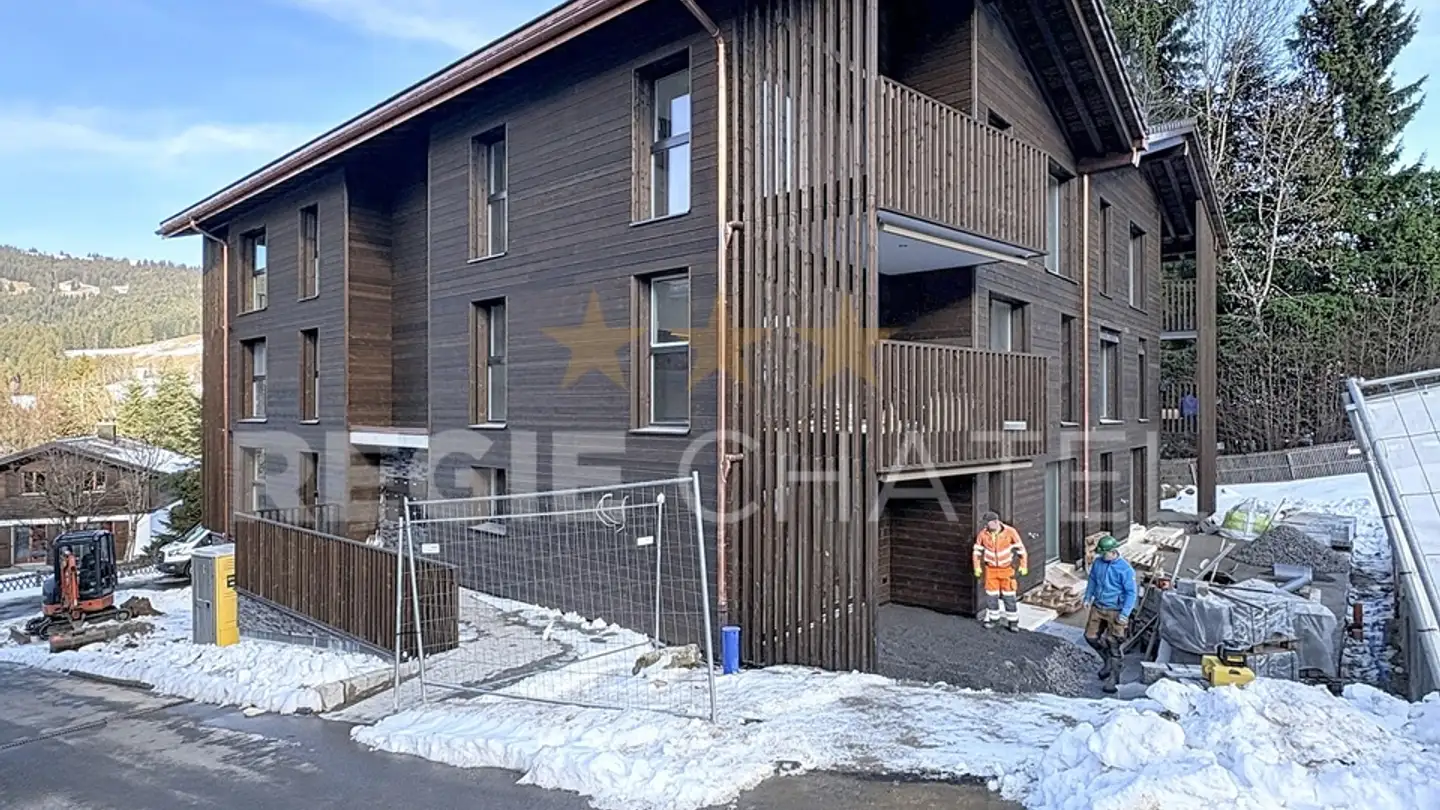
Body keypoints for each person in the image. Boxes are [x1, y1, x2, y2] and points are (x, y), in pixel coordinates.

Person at [1083, 534, 1138, 694]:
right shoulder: (1098, 563)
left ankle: (1113, 678)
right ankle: (1107, 660)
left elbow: (1131, 593)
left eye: (1104, 553)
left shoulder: (1125, 569)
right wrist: (1087, 597)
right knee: (1090, 637)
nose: (1101, 556)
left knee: (1113, 643)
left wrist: (1125, 613)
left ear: (1113, 552)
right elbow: (1092, 580)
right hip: (1098, 606)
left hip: (1116, 610)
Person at [972, 510, 1028, 632]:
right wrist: (977, 567)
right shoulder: (983, 534)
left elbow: (1021, 550)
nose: (986, 526)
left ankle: (1013, 622)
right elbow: (976, 552)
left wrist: (1023, 565)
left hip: (1006, 569)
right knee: (991, 597)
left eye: (988, 523)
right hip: (991, 570)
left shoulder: (1010, 532)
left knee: (1009, 597)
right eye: (985, 523)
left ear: (996, 522)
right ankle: (993, 619)